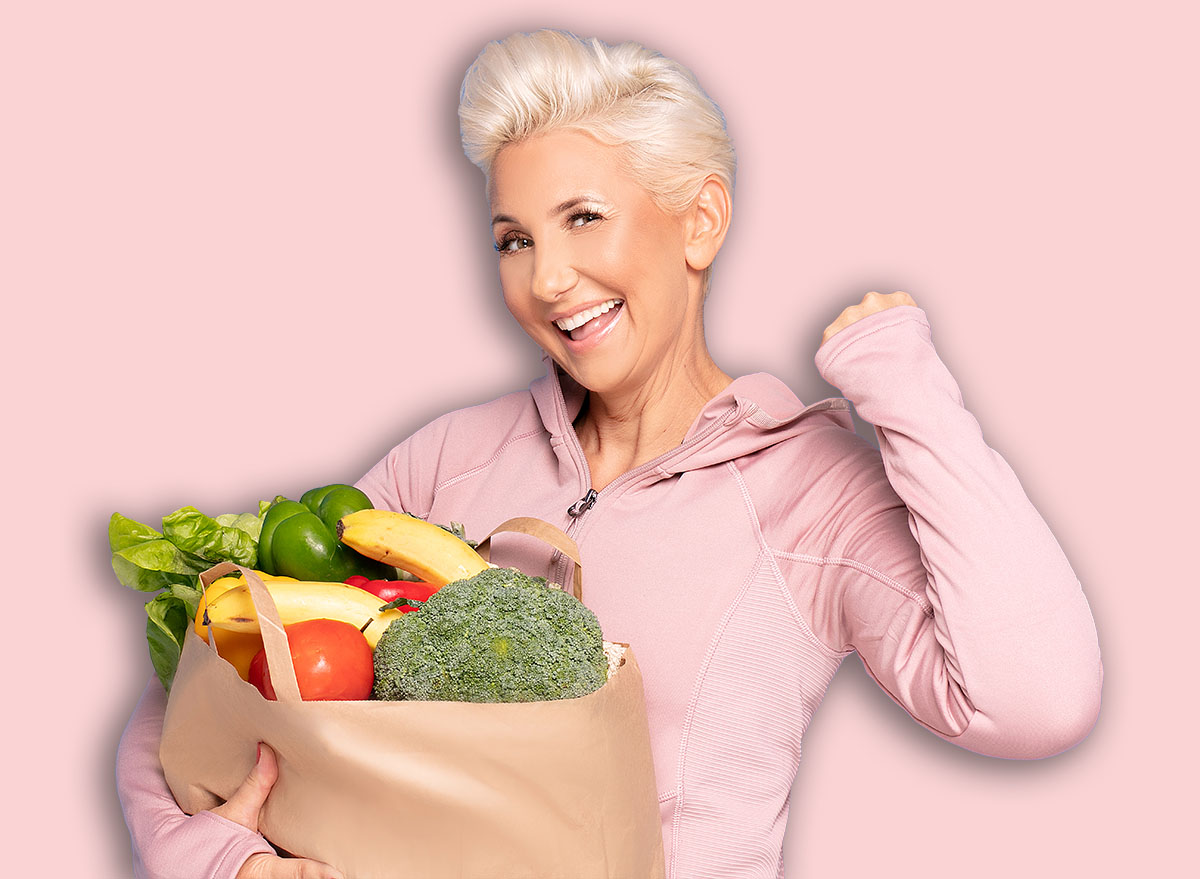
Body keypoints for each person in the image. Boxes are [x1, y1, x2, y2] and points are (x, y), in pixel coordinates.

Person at [116, 28, 1103, 879]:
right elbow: (191, 692)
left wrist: (905, 391)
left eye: (584, 218)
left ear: (699, 221)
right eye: (513, 239)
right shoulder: (444, 462)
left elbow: (1036, 702)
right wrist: (222, 859)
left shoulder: (810, 494)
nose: (548, 279)